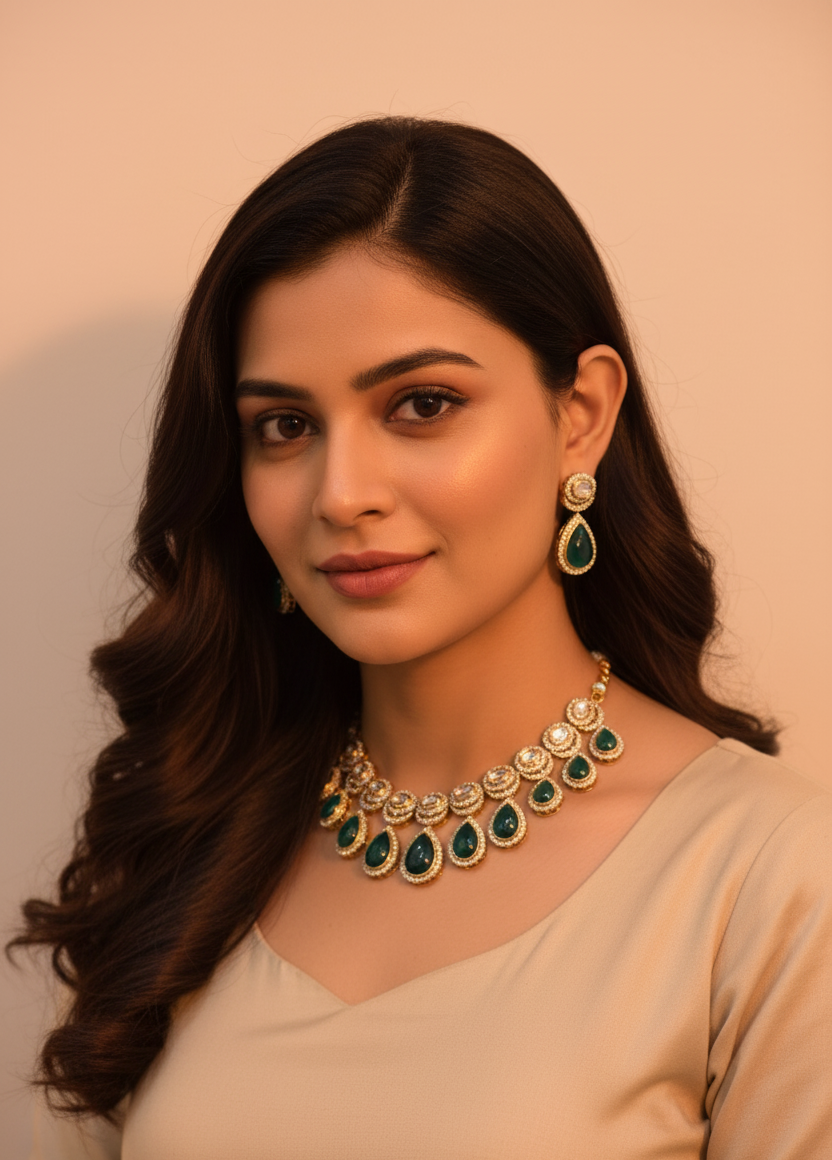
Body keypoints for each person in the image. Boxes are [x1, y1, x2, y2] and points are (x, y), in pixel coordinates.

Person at [13, 116, 830, 1159]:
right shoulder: (187, 837)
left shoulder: (770, 879)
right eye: (284, 425)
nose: (340, 494)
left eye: (422, 404)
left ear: (580, 412)